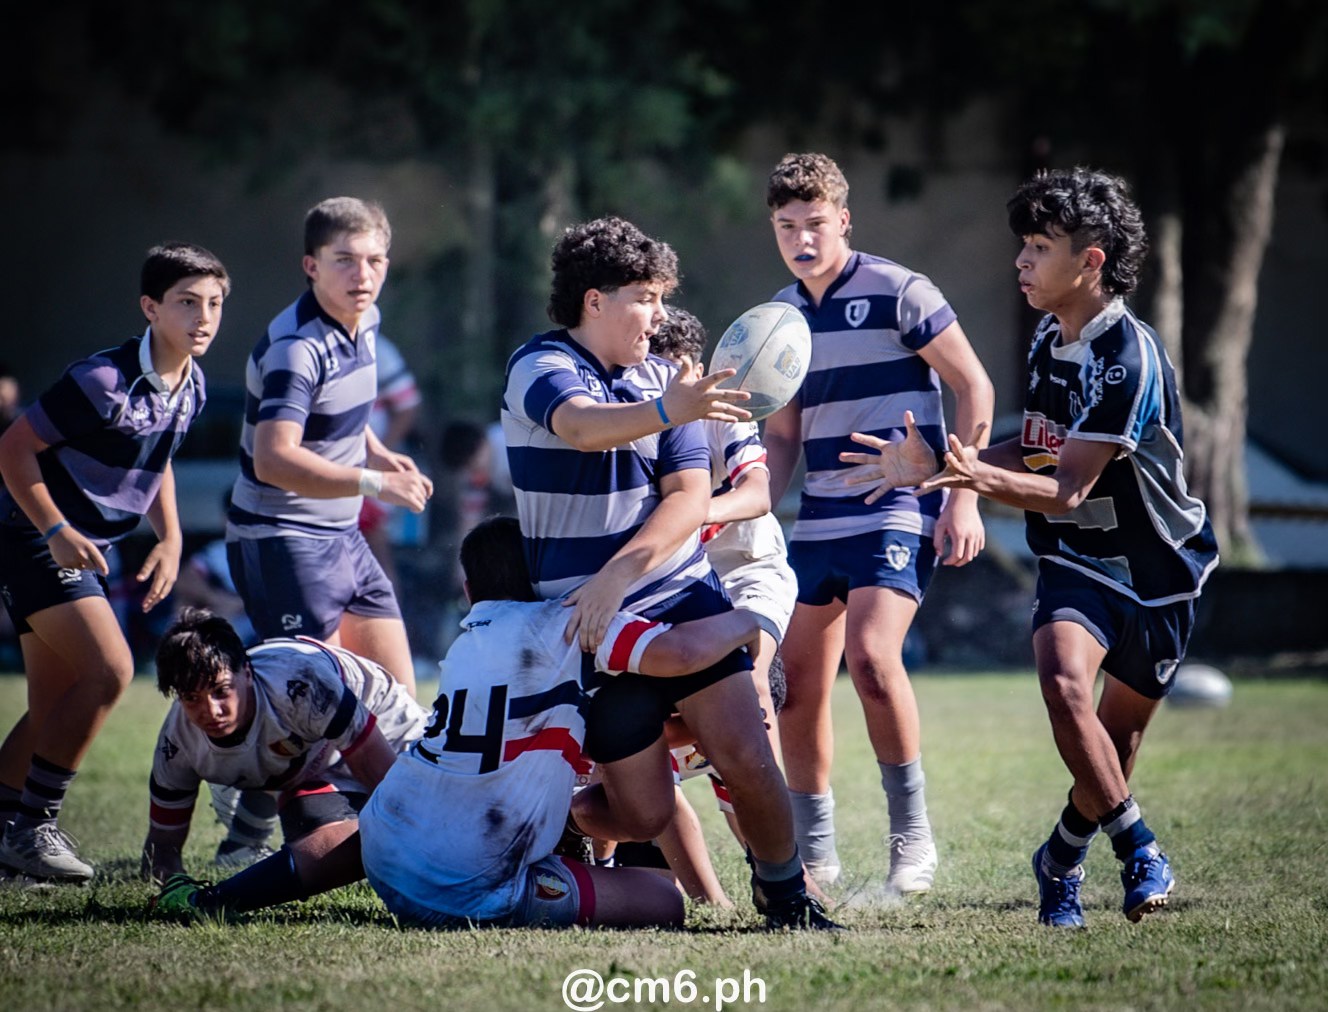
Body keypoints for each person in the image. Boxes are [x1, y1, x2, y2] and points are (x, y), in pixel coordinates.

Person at [839, 167, 1217, 926]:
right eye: (1023, 244)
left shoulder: (1127, 358)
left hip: (1160, 571)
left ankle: (1061, 858)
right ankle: (1139, 848)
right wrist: (950, 466)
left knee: (1112, 748)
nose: (1021, 260)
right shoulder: (1050, 338)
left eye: (1040, 246)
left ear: (1091, 260)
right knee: (1064, 684)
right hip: (1077, 560)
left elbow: (1069, 485)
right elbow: (1040, 453)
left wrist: (961, 474)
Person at [501, 217, 834, 928]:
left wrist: (619, 574)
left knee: (748, 752)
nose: (659, 316)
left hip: (675, 591)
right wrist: (665, 411)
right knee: (643, 812)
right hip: (587, 618)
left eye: (661, 299)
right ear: (595, 301)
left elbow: (688, 498)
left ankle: (787, 898)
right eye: (646, 298)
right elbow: (582, 427)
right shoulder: (540, 365)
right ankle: (560, 826)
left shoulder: (663, 378)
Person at [761, 152, 995, 892]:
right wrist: (751, 512)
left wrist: (963, 495)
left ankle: (911, 841)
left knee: (869, 657)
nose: (802, 239)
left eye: (815, 223)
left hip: (899, 505)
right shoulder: (780, 319)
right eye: (787, 226)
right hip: (819, 517)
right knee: (796, 684)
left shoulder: (900, 291)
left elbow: (973, 385)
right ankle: (815, 853)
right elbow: (782, 436)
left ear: (845, 220)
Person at [360, 516, 764, 929]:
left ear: (468, 591)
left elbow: (562, 737)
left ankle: (566, 831)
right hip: (469, 883)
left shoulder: (464, 645)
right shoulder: (567, 622)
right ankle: (566, 834)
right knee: (662, 900)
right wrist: (750, 621)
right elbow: (681, 653)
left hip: (385, 850)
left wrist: (692, 730)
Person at [0, 242, 229, 881]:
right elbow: (13, 448)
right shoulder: (103, 381)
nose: (204, 317)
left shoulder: (192, 384)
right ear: (150, 308)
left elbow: (159, 462)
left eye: (214, 304)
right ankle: (33, 827)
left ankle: (6, 833)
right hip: (33, 537)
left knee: (54, 704)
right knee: (111, 670)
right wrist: (55, 528)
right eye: (187, 302)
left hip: (81, 546)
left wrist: (171, 539)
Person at [226, 197, 432, 699]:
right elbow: (273, 459)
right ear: (311, 266)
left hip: (343, 536)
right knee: (321, 710)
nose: (362, 275)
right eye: (344, 260)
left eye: (374, 260)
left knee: (399, 704)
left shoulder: (367, 318)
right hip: (283, 539)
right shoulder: (297, 350)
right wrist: (375, 482)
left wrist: (373, 448)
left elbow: (335, 408)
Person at [142, 607, 429, 917]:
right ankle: (219, 894)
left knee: (414, 822)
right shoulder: (178, 743)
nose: (211, 711)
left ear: (247, 673)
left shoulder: (301, 683)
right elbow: (161, 852)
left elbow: (387, 788)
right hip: (314, 767)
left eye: (221, 691)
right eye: (191, 698)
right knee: (319, 836)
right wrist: (170, 881)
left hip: (387, 736)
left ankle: (222, 890)